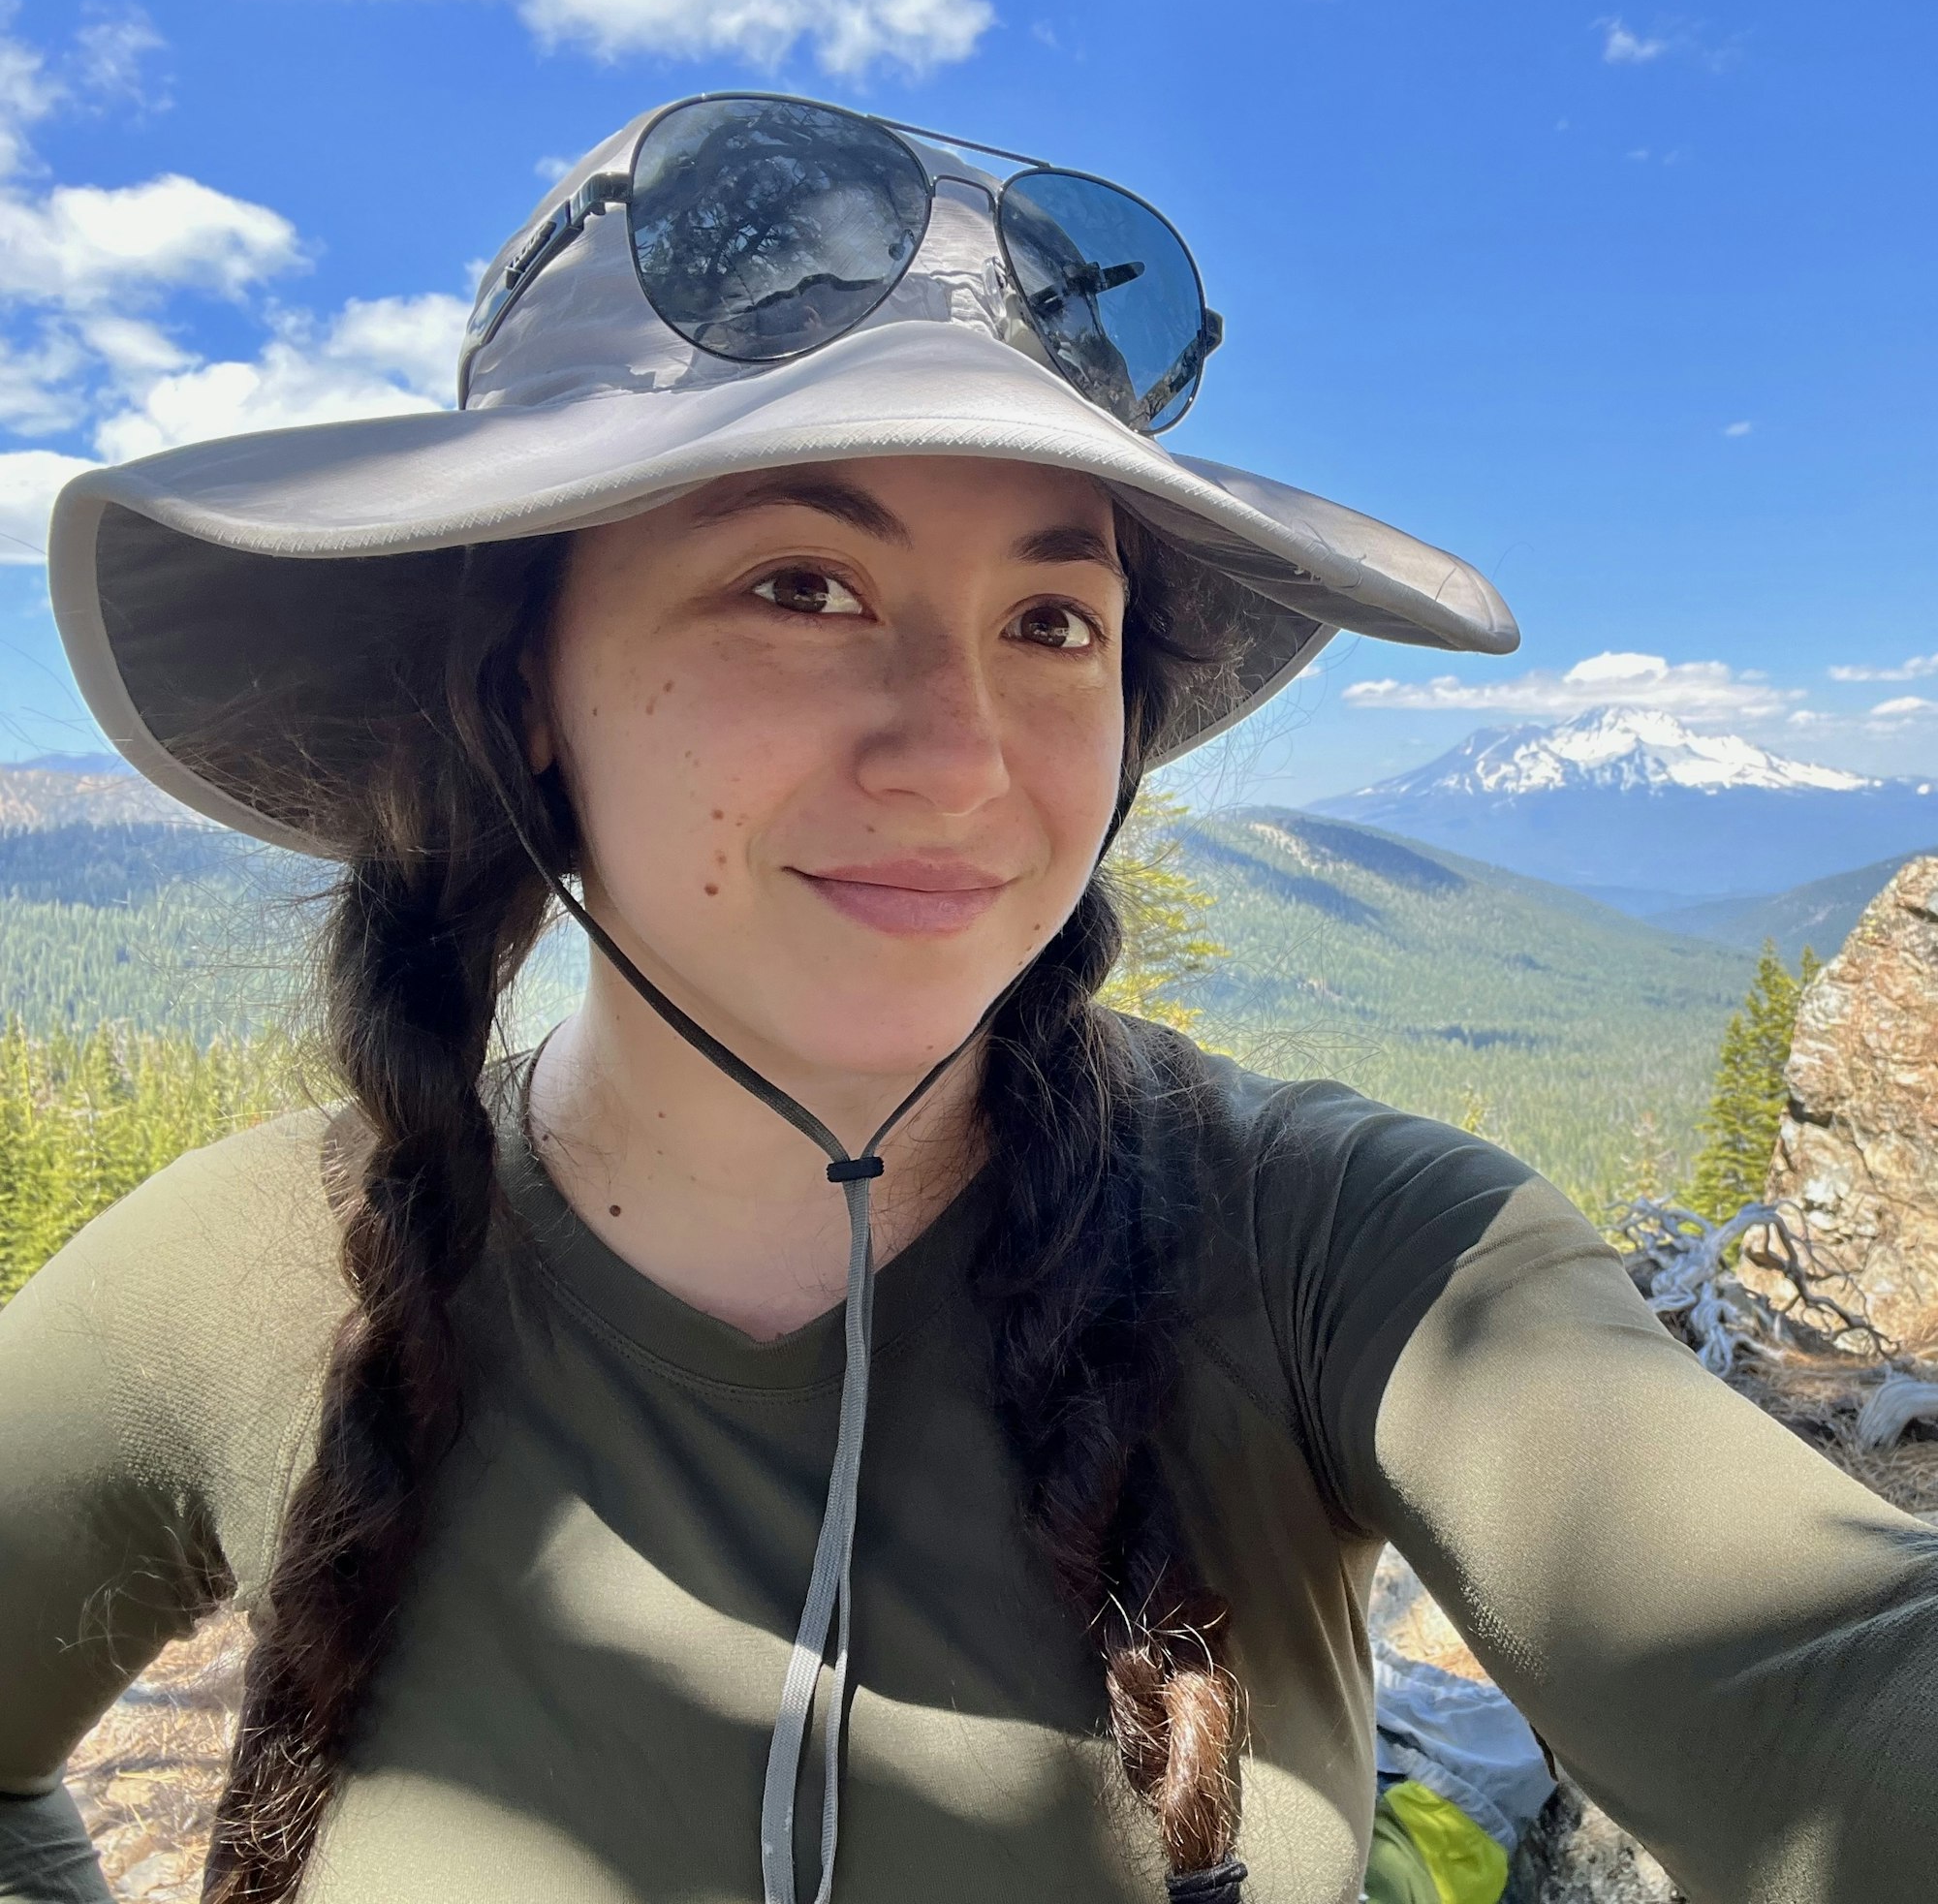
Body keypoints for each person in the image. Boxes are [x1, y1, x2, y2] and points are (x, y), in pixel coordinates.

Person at [3, 92, 1934, 1904]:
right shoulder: (249, 1286)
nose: (959, 758)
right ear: (524, 685)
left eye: (1051, 620)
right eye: (799, 586)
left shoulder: (1339, 1257)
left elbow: (1829, 1673)